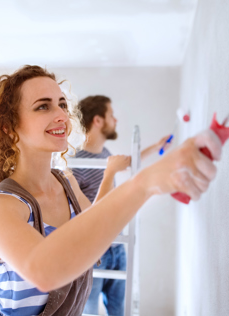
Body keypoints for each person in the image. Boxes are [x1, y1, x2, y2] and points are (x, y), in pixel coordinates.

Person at [0, 65, 222, 316]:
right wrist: (144, 182)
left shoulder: (66, 182)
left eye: (62, 104)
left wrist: (157, 185)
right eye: (43, 106)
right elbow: (44, 271)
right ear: (9, 126)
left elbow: (97, 218)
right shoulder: (0, 206)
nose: (62, 115)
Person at [72, 95, 171, 315]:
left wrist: (157, 147)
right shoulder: (75, 163)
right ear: (98, 121)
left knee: (118, 310)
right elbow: (87, 215)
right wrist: (110, 173)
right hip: (94, 252)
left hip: (117, 246)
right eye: (111, 115)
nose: (115, 120)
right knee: (89, 310)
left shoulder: (105, 154)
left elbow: (127, 163)